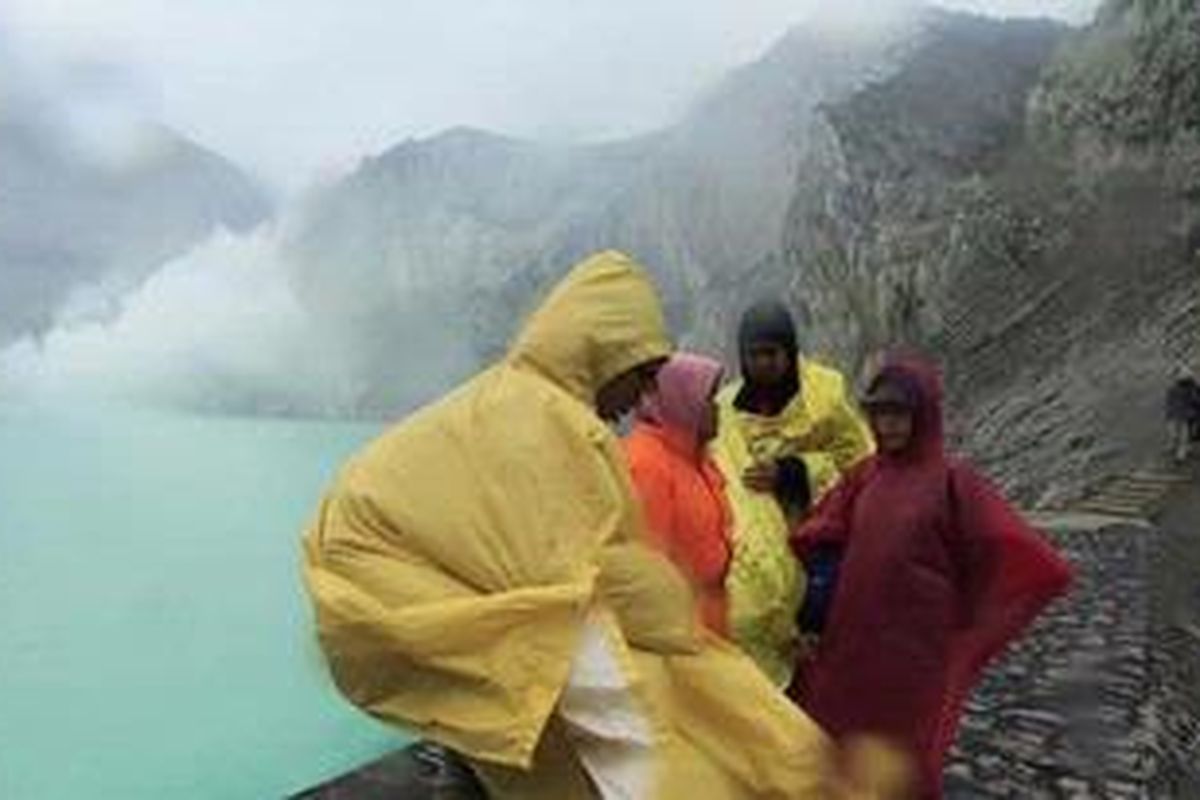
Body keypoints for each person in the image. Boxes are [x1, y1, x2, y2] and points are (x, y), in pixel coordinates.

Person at [302, 251, 896, 800]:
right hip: (382, 572)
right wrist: (674, 612)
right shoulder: (551, 419)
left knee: (553, 709)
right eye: (641, 373)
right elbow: (582, 565)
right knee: (612, 703)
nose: (641, 395)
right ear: (604, 350)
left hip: (393, 577)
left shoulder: (528, 403)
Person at [789, 353, 1073, 799]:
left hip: (915, 658)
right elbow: (821, 534)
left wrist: (964, 621)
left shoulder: (954, 483)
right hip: (852, 648)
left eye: (899, 413)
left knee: (906, 763)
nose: (887, 425)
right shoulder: (864, 477)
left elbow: (1005, 549)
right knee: (839, 751)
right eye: (878, 413)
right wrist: (812, 612)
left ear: (925, 414)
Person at [711, 300, 875, 685]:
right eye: (754, 355)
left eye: (772, 353)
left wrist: (794, 472)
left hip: (822, 535)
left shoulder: (824, 398)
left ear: (789, 349)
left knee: (825, 623)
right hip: (759, 548)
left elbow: (862, 464)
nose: (763, 363)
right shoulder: (724, 411)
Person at [624, 352, 731, 635]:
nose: (718, 408)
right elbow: (650, 566)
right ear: (684, 401)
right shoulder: (647, 465)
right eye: (709, 399)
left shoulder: (696, 456)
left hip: (709, 618)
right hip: (679, 630)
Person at [1166, 368, 1200, 464]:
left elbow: (1169, 403)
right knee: (1183, 436)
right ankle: (1181, 455)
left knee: (1175, 435)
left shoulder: (1171, 388)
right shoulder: (1191, 389)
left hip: (1173, 416)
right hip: (1185, 416)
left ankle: (1177, 450)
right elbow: (1196, 401)